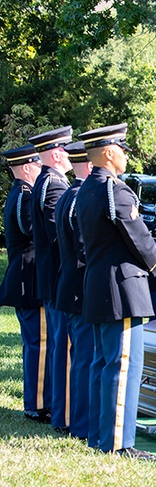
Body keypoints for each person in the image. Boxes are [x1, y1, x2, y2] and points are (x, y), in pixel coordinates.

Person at [76, 123, 156, 460]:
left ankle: (102, 438)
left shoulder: (86, 188)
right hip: (122, 287)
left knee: (104, 364)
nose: (127, 156)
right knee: (123, 366)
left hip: (100, 285)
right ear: (109, 153)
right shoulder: (115, 190)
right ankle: (118, 442)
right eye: (123, 150)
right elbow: (138, 235)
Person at [28, 126, 74, 432]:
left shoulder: (46, 181)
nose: (71, 155)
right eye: (67, 150)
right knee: (64, 347)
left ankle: (60, 410)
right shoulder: (55, 185)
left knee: (59, 345)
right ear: (56, 154)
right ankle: (64, 414)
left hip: (49, 276)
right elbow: (61, 236)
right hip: (59, 276)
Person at [53, 141, 95, 440]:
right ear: (90, 165)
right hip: (81, 286)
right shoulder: (81, 198)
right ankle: (80, 424)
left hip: (68, 283)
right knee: (84, 357)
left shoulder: (67, 195)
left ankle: (68, 417)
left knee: (78, 355)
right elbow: (85, 249)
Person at [0, 145, 45, 422]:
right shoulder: (25, 197)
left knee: (33, 344)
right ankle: (36, 403)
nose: (41, 171)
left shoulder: (18, 194)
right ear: (27, 167)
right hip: (29, 279)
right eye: (38, 166)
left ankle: (35, 399)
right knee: (38, 344)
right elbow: (34, 234)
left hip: (24, 277)